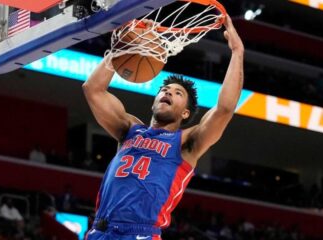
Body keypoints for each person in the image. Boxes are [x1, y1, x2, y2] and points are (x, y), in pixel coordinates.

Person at [83, 15, 244, 240]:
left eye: (177, 93)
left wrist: (237, 52)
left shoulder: (187, 143)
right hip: (99, 231)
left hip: (141, 234)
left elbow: (224, 109)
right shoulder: (128, 129)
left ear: (185, 113)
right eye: (164, 90)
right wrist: (122, 49)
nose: (168, 92)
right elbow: (93, 90)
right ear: (154, 101)